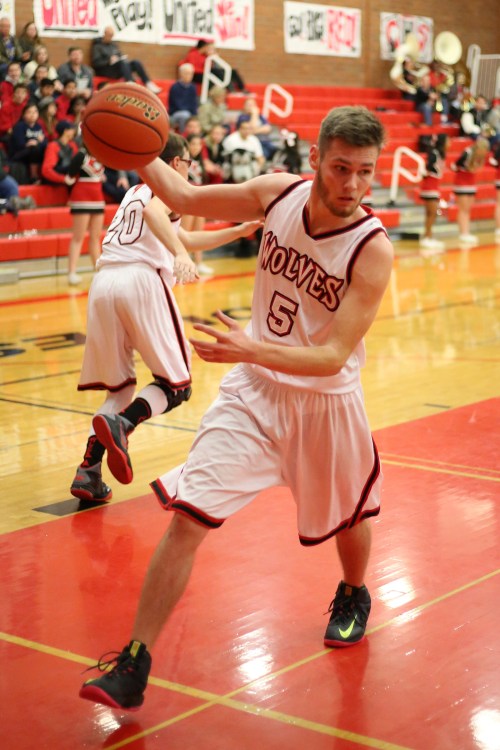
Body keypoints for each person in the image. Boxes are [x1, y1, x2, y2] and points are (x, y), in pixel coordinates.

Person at [79, 105, 394, 711]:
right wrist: (129, 143)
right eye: (339, 168)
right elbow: (179, 191)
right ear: (315, 162)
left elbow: (331, 355)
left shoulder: (372, 250)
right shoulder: (277, 194)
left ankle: (354, 592)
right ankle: (134, 661)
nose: (351, 185)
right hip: (253, 393)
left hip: (324, 404)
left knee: (350, 516)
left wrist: (256, 346)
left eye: (364, 172)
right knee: (187, 517)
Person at [69, 133, 260, 502]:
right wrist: (178, 256)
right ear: (175, 164)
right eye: (189, 162)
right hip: (140, 280)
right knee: (177, 385)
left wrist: (238, 231)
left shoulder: (135, 191)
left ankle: (88, 470)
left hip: (104, 283)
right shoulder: (166, 194)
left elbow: (180, 235)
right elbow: (158, 217)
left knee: (120, 388)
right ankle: (123, 424)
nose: (192, 168)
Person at [65, 144, 107, 285]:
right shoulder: (81, 155)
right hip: (82, 198)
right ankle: (71, 272)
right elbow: (69, 176)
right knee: (78, 237)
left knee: (96, 237)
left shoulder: (103, 155)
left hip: (98, 198)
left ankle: (99, 270)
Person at [91, 26, 161, 94]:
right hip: (106, 70)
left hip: (117, 68)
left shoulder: (113, 45)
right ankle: (130, 82)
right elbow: (96, 63)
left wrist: (120, 58)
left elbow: (119, 56)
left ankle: (148, 83)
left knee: (136, 62)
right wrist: (108, 61)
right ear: (105, 34)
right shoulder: (97, 46)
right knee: (122, 63)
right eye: (109, 35)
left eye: (112, 35)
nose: (110, 37)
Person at [451, 135, 490, 245]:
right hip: (461, 183)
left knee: (467, 209)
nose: (484, 153)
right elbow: (455, 165)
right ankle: (463, 233)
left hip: (471, 184)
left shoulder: (479, 156)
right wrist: (465, 169)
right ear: (479, 147)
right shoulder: (467, 152)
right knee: (462, 209)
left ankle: (466, 232)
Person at [179, 39, 247, 94]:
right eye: (207, 47)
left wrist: (212, 57)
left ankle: (241, 88)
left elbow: (211, 67)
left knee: (230, 71)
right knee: (211, 78)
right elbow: (193, 68)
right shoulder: (192, 54)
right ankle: (228, 90)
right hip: (197, 74)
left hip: (205, 72)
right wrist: (204, 70)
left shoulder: (205, 56)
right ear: (204, 47)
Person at [418, 133, 448, 252]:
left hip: (434, 186)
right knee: (432, 213)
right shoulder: (434, 153)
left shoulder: (438, 153)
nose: (449, 143)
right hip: (430, 187)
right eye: (447, 141)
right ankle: (427, 237)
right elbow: (428, 167)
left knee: (431, 213)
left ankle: (428, 236)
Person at [8, 101, 46, 183]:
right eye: (29, 112)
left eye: (35, 112)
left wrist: (36, 142)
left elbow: (44, 142)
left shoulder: (38, 126)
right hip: (18, 154)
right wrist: (35, 143)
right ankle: (34, 177)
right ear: (24, 115)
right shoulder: (20, 126)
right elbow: (19, 144)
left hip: (33, 151)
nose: (33, 114)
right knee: (34, 149)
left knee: (46, 149)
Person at [168, 62, 198, 134]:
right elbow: (177, 105)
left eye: (191, 74)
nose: (189, 76)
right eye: (187, 73)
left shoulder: (193, 87)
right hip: (175, 113)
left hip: (188, 112)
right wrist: (189, 113)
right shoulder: (175, 87)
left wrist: (194, 115)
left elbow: (194, 103)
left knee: (197, 117)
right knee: (184, 115)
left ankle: (195, 137)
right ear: (181, 74)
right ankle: (184, 135)